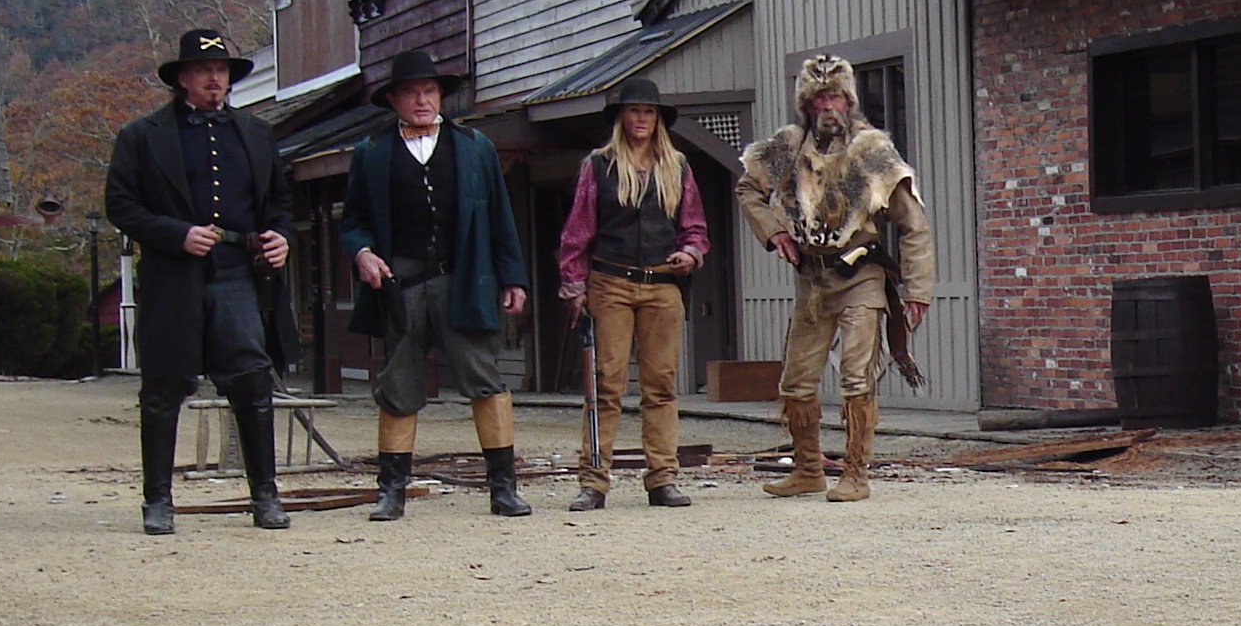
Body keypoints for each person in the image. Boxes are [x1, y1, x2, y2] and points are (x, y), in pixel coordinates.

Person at [105, 28, 298, 535]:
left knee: (252, 382)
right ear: (183, 79)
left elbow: (279, 200)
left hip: (238, 271)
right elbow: (121, 206)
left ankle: (265, 496)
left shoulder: (256, 133)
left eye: (222, 71)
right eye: (205, 71)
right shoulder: (142, 136)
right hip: (174, 275)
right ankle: (158, 501)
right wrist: (175, 235)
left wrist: (278, 235)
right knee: (164, 387)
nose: (216, 79)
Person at [339, 49, 534, 521]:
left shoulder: (475, 147)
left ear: (441, 96)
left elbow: (499, 218)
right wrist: (363, 253)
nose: (422, 100)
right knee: (399, 384)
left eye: (429, 91)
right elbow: (353, 222)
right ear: (394, 100)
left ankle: (503, 488)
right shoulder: (371, 152)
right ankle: (392, 491)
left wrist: (511, 276)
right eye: (411, 92)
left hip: (462, 279)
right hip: (400, 283)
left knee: (484, 378)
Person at [736, 55, 933, 503]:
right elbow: (748, 188)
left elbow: (913, 224)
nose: (829, 106)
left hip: (860, 272)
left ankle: (856, 473)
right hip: (811, 278)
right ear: (807, 103)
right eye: (820, 97)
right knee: (797, 380)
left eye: (837, 97)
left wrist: (917, 291)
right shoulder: (788, 146)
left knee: (856, 378)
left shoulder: (871, 150)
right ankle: (808, 469)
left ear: (849, 101)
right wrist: (775, 231)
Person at [556, 77, 710, 510]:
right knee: (605, 383)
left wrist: (691, 253)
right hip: (611, 282)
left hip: (662, 284)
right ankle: (594, 480)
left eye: (649, 111)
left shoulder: (677, 166)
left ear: (657, 119)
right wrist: (573, 283)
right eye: (634, 110)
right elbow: (577, 230)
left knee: (661, 383)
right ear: (621, 117)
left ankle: (662, 478)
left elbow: (694, 225)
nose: (641, 118)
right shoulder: (599, 164)